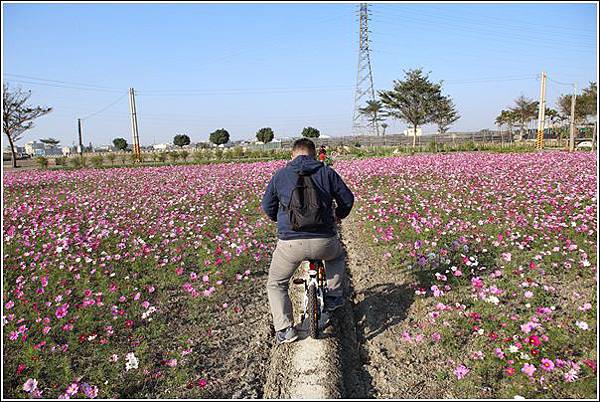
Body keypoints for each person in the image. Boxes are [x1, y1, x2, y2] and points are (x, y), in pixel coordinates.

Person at [261, 138, 354, 344]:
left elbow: (267, 206)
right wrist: (339, 215)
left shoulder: (280, 175)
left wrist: (281, 221)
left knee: (276, 284)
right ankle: (333, 296)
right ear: (314, 155)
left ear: (292, 155)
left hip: (290, 244)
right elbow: (347, 199)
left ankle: (285, 330)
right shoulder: (327, 172)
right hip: (324, 240)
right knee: (337, 257)